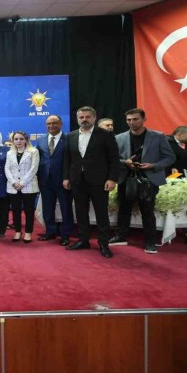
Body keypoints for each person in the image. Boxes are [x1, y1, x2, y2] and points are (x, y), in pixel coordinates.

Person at [110, 108, 175, 254]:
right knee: (124, 209)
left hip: (149, 179)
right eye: (129, 120)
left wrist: (153, 166)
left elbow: (170, 157)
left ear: (144, 119)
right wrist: (125, 162)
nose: (131, 122)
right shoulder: (119, 137)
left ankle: (150, 242)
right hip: (126, 178)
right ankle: (121, 236)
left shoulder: (158, 136)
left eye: (135, 119)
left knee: (147, 211)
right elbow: (113, 158)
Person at [64, 106, 120, 259]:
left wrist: (112, 178)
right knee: (81, 212)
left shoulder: (105, 135)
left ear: (94, 118)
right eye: (81, 117)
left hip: (99, 181)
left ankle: (103, 243)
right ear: (77, 119)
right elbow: (68, 159)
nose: (84, 120)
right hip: (77, 181)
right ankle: (83, 240)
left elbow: (114, 158)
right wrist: (66, 177)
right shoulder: (71, 136)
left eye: (88, 117)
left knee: (101, 213)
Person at [35, 116, 73, 246]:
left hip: (64, 180)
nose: (51, 126)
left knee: (66, 208)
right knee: (47, 207)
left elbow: (72, 160)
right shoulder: (40, 140)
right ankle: (50, 231)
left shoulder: (69, 139)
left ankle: (65, 235)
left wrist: (68, 177)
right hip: (45, 180)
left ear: (61, 124)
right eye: (48, 123)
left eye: (54, 123)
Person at [5, 131, 40, 243]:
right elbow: (7, 168)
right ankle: (17, 231)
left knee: (29, 211)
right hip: (13, 187)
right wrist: (13, 182)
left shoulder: (33, 151)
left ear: (26, 140)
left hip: (29, 186)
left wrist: (22, 183)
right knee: (15, 210)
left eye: (21, 139)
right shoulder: (9, 153)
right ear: (13, 141)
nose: (18, 141)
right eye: (16, 139)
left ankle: (28, 232)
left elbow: (34, 169)